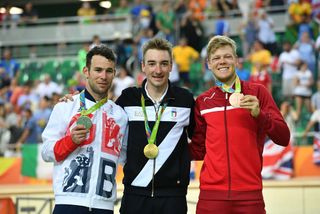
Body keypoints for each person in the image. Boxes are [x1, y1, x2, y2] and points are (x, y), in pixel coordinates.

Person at [189, 35, 290, 214]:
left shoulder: (258, 92)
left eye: (227, 56)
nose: (222, 62)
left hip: (250, 195)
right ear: (209, 64)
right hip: (211, 196)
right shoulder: (203, 101)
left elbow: (283, 137)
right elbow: (198, 149)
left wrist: (260, 115)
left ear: (236, 60)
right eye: (216, 58)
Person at [41, 45, 128, 214]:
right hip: (68, 202)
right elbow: (46, 152)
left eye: (109, 71)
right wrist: (70, 141)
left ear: (114, 74)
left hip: (104, 206)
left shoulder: (120, 116)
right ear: (86, 71)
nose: (103, 76)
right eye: (98, 70)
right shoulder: (66, 106)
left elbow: (124, 157)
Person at [116, 37, 195, 213]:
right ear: (143, 66)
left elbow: (200, 139)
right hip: (134, 195)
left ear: (171, 66)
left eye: (163, 64)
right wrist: (74, 101)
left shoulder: (185, 99)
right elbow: (103, 118)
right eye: (152, 64)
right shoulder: (128, 98)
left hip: (173, 197)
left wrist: (179, 165)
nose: (157, 70)